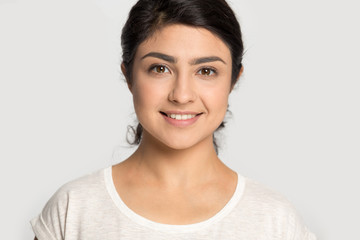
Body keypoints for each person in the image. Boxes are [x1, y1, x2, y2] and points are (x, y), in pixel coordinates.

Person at [31, 0, 316, 239]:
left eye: (206, 71)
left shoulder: (276, 221)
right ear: (129, 76)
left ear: (233, 80)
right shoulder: (74, 209)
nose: (182, 95)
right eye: (160, 68)